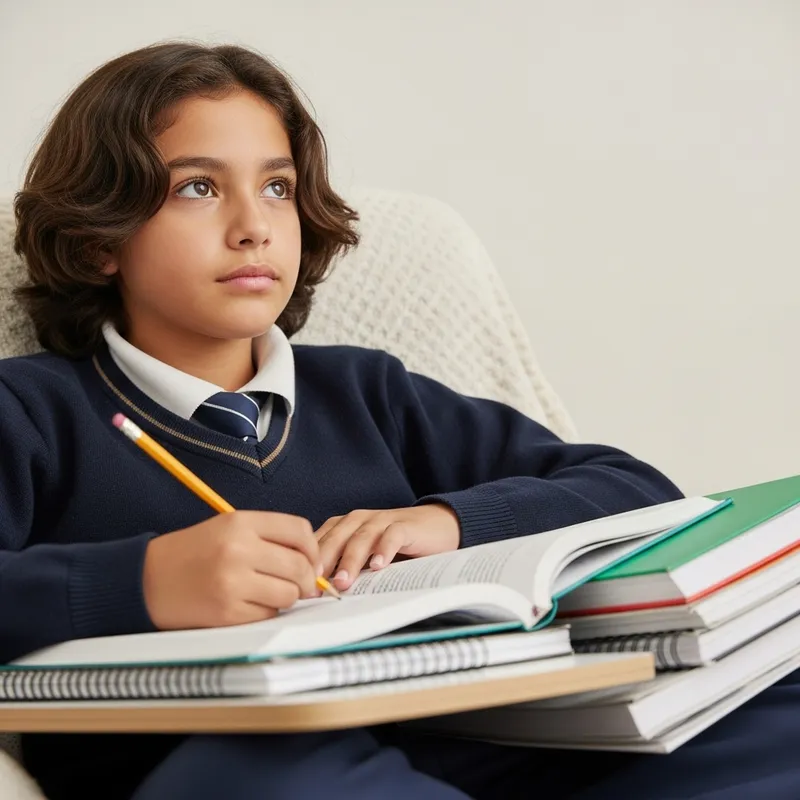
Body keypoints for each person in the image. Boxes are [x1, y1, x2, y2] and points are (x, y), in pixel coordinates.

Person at [2, 40, 792, 800]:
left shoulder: (369, 390)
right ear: (99, 236)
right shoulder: (31, 410)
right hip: (241, 767)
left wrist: (450, 520)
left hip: (472, 741)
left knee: (775, 697)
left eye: (277, 187)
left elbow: (635, 489)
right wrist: (138, 584)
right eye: (197, 188)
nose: (254, 225)